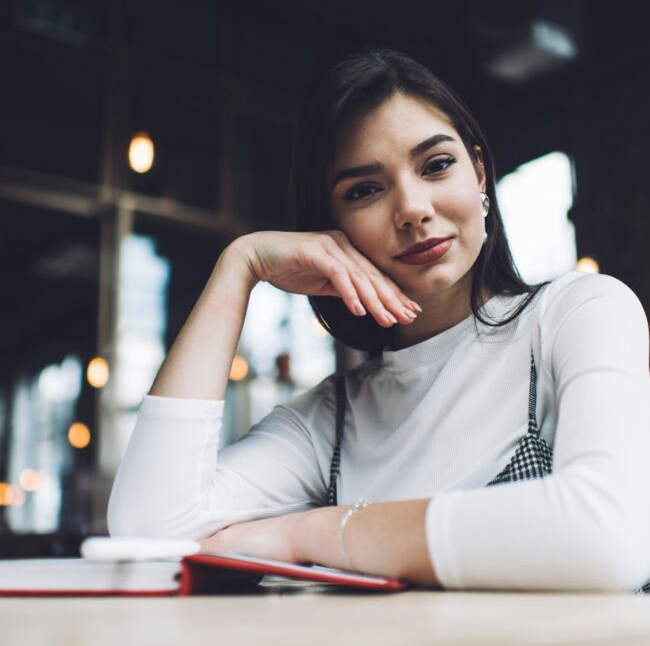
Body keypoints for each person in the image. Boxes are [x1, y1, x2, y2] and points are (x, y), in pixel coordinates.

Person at [107, 48, 650, 592]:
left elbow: (610, 536)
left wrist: (308, 534)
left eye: (436, 165)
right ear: (332, 228)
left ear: (480, 174)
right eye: (365, 190)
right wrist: (239, 265)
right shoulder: (334, 418)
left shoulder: (577, 314)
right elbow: (150, 533)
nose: (412, 208)